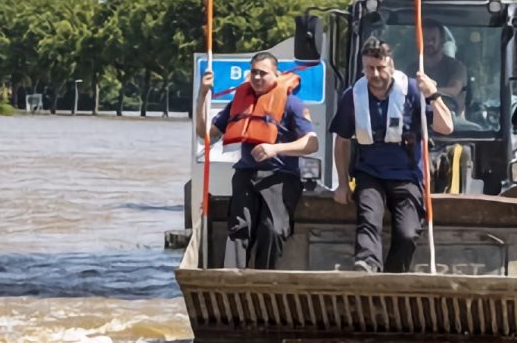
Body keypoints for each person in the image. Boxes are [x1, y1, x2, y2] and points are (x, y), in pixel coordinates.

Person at [330, 38, 454, 273]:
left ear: (391, 66)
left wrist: (433, 95)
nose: (375, 74)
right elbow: (342, 142)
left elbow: (446, 127)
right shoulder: (352, 96)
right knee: (368, 218)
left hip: (406, 175)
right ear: (363, 67)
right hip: (369, 173)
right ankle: (366, 265)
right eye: (369, 68)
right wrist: (343, 184)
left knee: (407, 234)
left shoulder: (412, 91)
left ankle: (393, 276)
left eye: (380, 68)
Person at [196, 51, 318, 269]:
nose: (258, 78)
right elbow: (205, 135)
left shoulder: (293, 104)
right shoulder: (240, 102)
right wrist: (202, 94)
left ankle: (262, 280)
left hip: (280, 178)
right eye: (254, 73)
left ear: (276, 74)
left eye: (263, 73)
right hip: (246, 175)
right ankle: (230, 282)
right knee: (238, 231)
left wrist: (275, 149)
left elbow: (311, 144)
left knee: (271, 230)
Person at [406, 19, 468, 114]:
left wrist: (429, 91)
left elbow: (454, 90)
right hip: (419, 120)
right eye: (424, 39)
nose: (428, 43)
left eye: (433, 39)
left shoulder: (456, 67)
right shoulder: (412, 69)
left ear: (442, 41)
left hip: (453, 121)